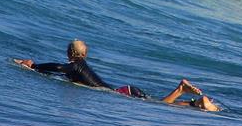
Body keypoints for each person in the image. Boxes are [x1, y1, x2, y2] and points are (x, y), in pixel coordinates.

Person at [13, 39, 220, 111]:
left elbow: (59, 68)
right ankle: (195, 104)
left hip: (121, 92)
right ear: (85, 54)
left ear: (71, 54)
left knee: (161, 105)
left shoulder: (74, 66)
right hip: (124, 89)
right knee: (160, 103)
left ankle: (181, 89)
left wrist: (35, 65)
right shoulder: (81, 64)